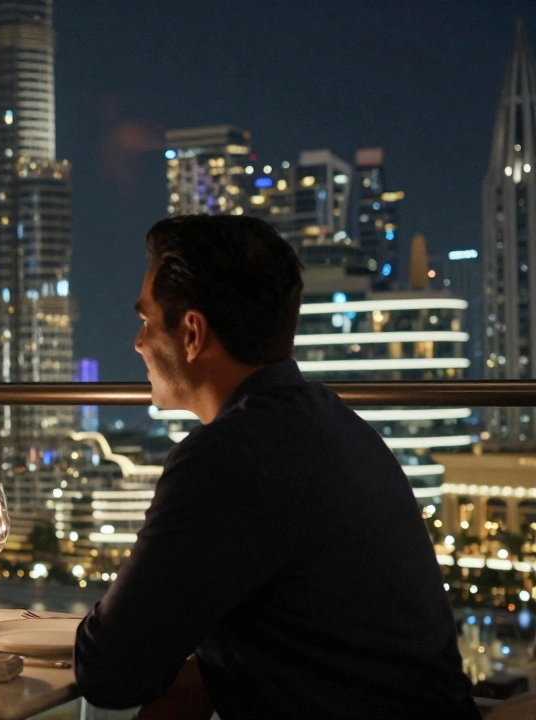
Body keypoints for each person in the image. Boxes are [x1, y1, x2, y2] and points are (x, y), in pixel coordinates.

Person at [74, 216, 479, 719]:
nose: (137, 343)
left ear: (193, 333)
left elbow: (110, 671)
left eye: (145, 321)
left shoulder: (225, 458)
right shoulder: (336, 423)